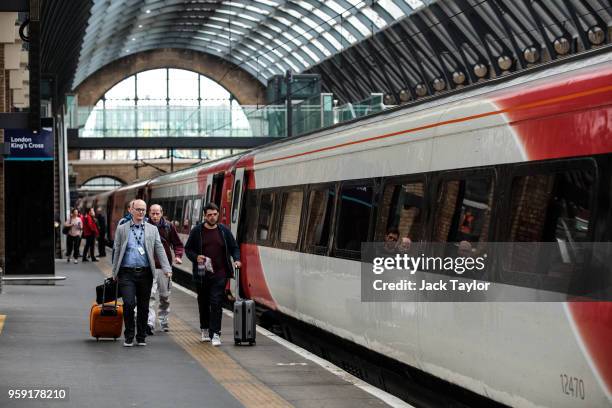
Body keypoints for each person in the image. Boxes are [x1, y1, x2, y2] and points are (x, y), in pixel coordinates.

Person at [112, 199, 171, 347]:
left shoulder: (152, 229)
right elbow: (117, 250)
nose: (141, 212)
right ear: (131, 210)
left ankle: (141, 336)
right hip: (127, 273)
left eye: (143, 210)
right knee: (129, 303)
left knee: (144, 306)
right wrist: (114, 272)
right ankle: (129, 335)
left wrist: (166, 268)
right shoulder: (122, 228)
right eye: (138, 209)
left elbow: (159, 249)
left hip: (145, 273)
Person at [185, 203, 241, 347]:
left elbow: (234, 247)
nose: (212, 217)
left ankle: (215, 333)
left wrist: (237, 259)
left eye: (215, 214)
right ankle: (204, 329)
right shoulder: (197, 231)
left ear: (218, 215)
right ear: (205, 216)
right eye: (209, 215)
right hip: (202, 273)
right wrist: (196, 257)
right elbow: (188, 249)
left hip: (220, 273)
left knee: (216, 302)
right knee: (203, 302)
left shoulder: (224, 231)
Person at [146, 204, 184, 334]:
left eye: (157, 213)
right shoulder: (145, 226)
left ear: (162, 213)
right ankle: (149, 323)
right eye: (152, 213)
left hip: (164, 268)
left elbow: (178, 244)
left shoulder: (168, 226)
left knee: (164, 297)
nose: (155, 216)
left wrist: (178, 256)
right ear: (149, 214)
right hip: (149, 267)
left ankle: (163, 320)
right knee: (149, 296)